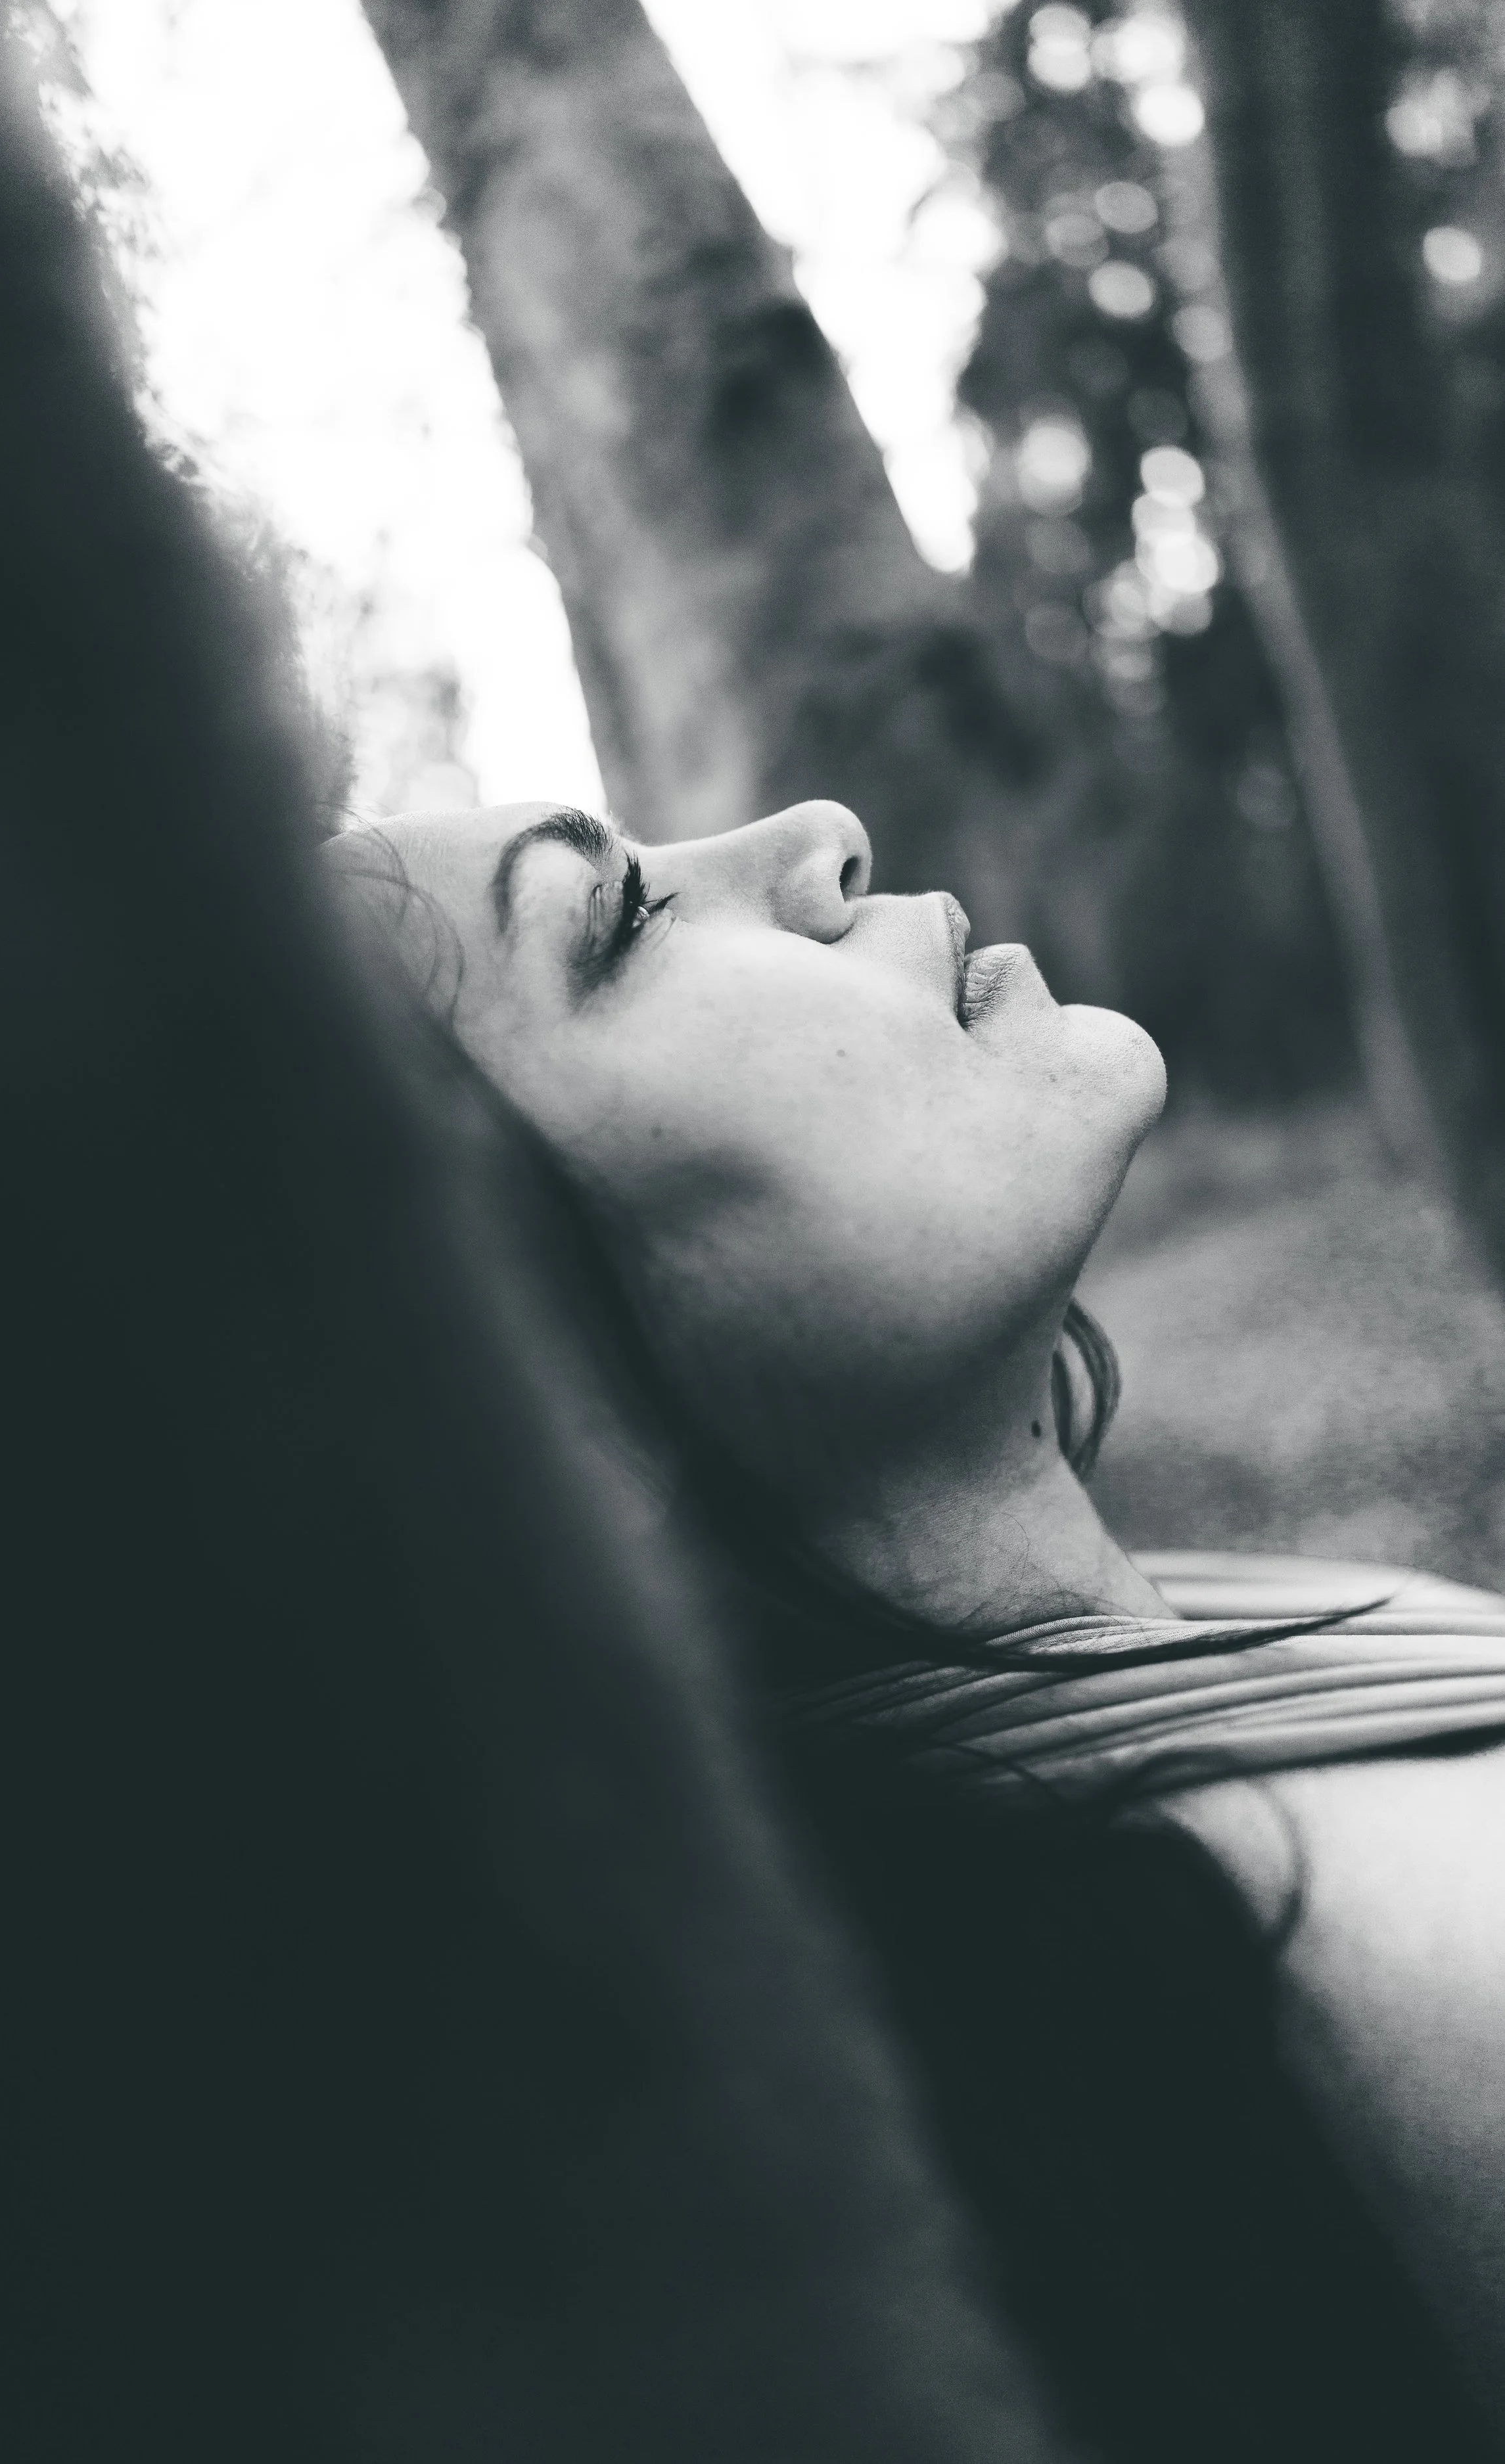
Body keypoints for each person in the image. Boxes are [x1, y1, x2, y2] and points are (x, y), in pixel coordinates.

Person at [324, 794, 1505, 2464]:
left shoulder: (1217, 1696)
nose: (819, 838)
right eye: (618, 924)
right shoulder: (1318, 2003)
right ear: (531, 1436)